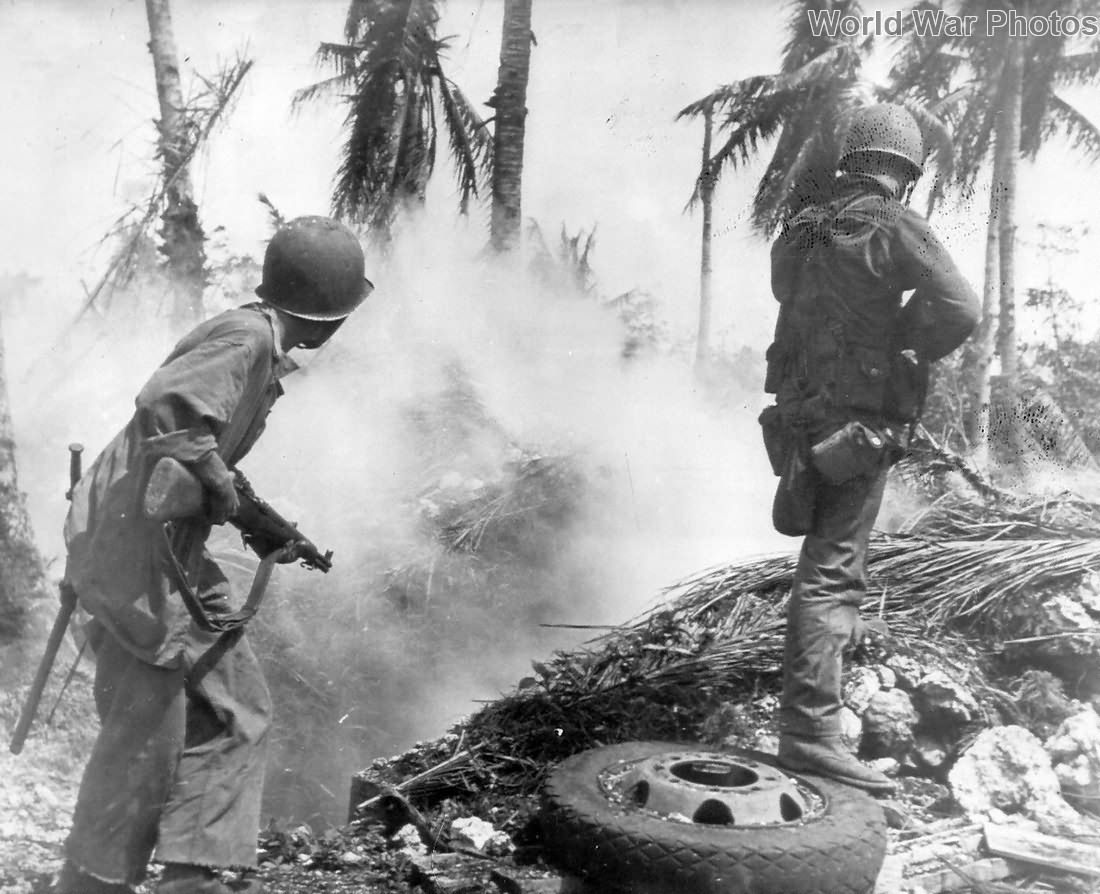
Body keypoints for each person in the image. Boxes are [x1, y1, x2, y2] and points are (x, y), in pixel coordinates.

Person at [55, 216, 373, 894]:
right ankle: (92, 880)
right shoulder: (247, 339)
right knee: (150, 724)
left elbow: (201, 447)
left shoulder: (260, 346)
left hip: (164, 548)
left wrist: (257, 522)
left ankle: (189, 872)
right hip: (130, 553)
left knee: (237, 708)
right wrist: (219, 484)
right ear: (332, 316)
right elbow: (166, 407)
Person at [761, 104, 980, 794]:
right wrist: (903, 337)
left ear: (850, 161)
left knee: (823, 561)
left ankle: (816, 708)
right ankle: (810, 736)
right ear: (904, 172)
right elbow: (962, 308)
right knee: (831, 572)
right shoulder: (896, 223)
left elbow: (786, 293)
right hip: (857, 424)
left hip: (802, 420)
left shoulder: (800, 227)